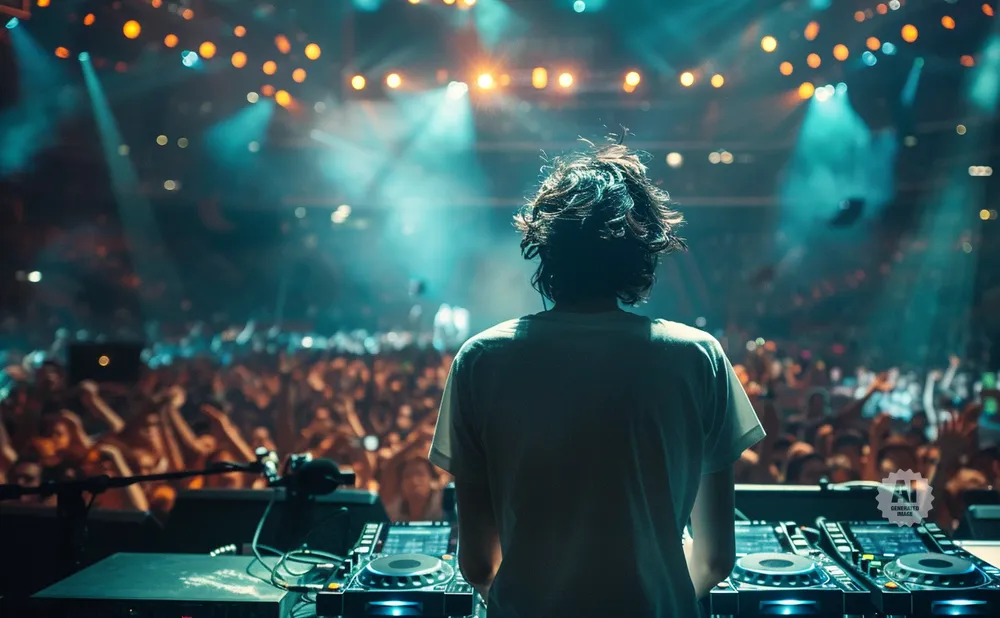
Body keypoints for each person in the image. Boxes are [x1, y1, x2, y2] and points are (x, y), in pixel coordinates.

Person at [428, 141, 765, 618]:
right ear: (642, 253)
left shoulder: (481, 359)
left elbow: (479, 563)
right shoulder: (697, 356)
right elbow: (715, 558)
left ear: (546, 250)